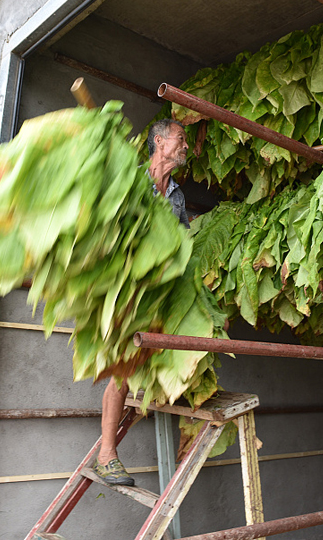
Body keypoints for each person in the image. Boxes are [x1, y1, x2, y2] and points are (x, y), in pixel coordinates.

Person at [92, 118, 190, 487]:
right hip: (123, 290)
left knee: (148, 363)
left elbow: (181, 247)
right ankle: (106, 456)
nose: (185, 146)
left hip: (157, 294)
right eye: (181, 139)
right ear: (160, 142)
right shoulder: (130, 181)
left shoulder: (177, 196)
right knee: (122, 369)